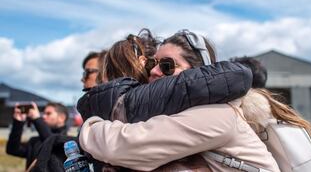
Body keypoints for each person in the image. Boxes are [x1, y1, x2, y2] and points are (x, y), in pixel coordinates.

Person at [79, 30, 280, 171]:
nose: (155, 71)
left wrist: (91, 126)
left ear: (198, 73)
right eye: (152, 64)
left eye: (167, 66)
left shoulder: (218, 114)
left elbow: (122, 146)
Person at [6, 102, 68, 169]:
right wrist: (18, 122)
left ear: (62, 118)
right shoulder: (35, 141)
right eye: (44, 113)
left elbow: (52, 142)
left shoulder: (68, 142)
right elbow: (13, 149)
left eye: (48, 113)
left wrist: (37, 119)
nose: (43, 116)